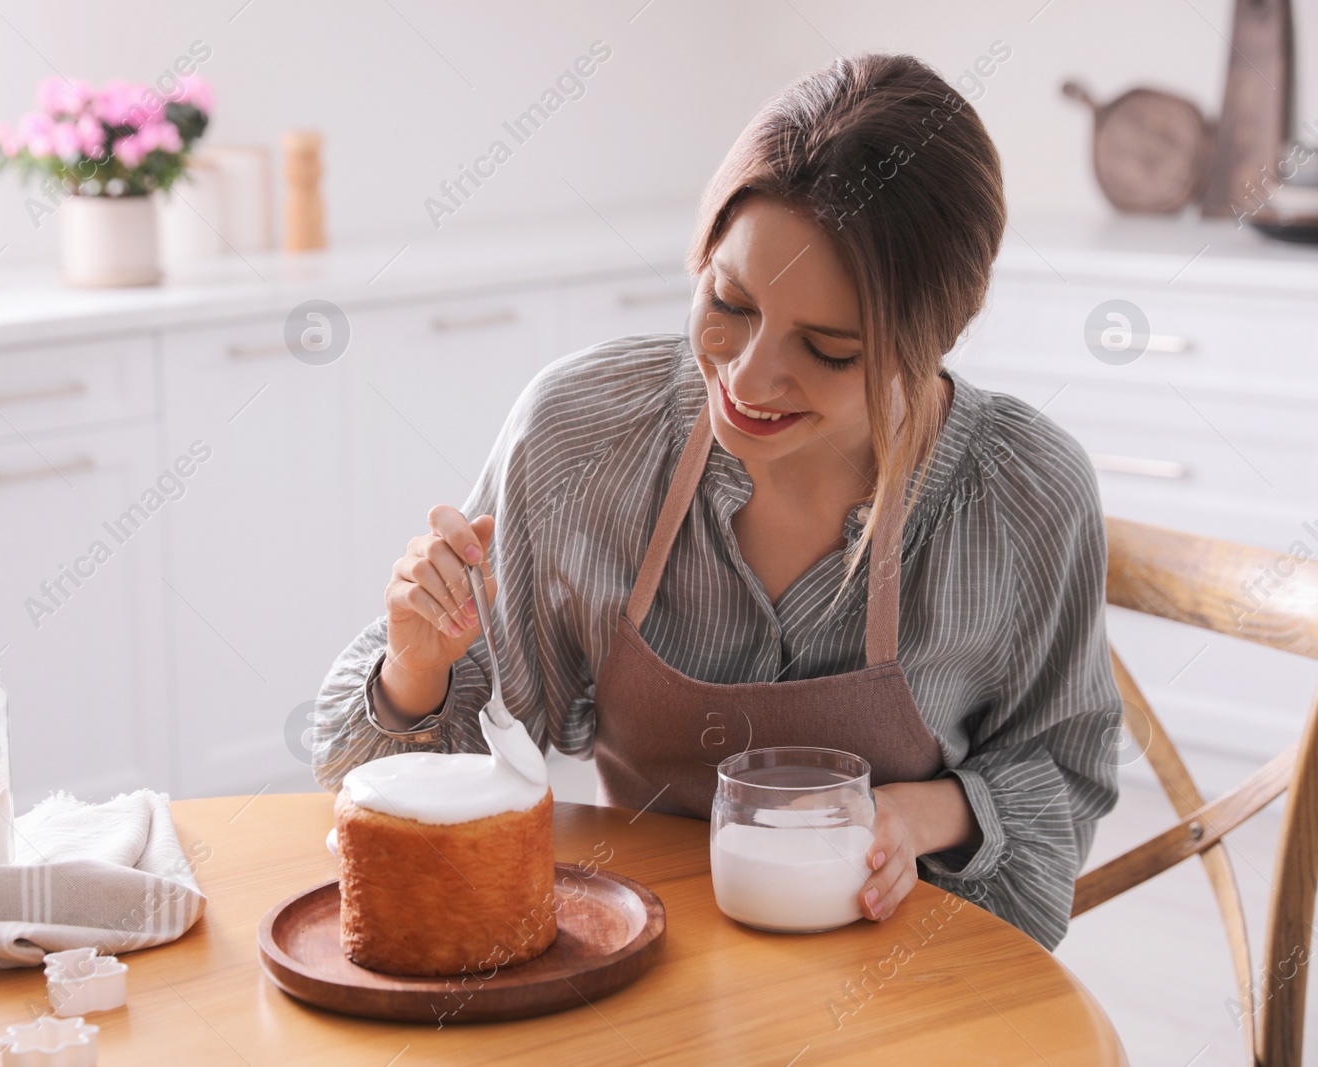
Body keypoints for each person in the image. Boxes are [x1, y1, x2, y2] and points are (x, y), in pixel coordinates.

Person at [311, 52, 1120, 950]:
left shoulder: (1024, 494)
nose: (749, 375)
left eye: (829, 348)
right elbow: (415, 827)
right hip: (646, 962)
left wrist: (926, 811)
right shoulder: (583, 436)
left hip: (901, 985)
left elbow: (1064, 776)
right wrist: (417, 669)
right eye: (729, 301)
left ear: (932, 339)